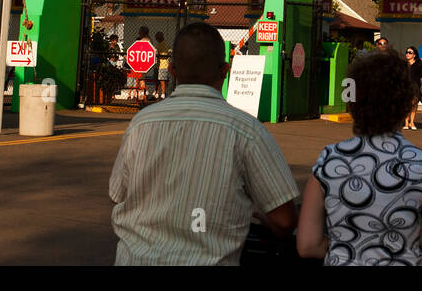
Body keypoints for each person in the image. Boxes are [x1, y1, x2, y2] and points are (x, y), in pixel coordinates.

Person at [108, 22, 299, 265]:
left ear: (174, 70)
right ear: (225, 71)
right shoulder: (247, 131)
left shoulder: (141, 123)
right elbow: (285, 221)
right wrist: (255, 211)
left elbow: (117, 195)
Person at [297, 49, 422, 265]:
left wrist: (343, 250)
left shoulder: (329, 160)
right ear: (406, 103)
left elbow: (307, 245)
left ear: (353, 103)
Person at [403, 46, 422, 131]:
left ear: (414, 55)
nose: (407, 54)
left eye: (410, 52)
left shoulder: (418, 64)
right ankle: (406, 123)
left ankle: (412, 122)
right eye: (407, 52)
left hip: (415, 87)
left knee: (414, 105)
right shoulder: (403, 64)